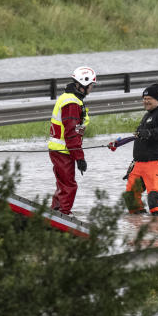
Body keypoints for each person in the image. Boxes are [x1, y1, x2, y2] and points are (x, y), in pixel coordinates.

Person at [120, 83, 158, 216]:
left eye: (148, 98)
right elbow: (139, 136)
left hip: (157, 163)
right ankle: (137, 231)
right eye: (144, 99)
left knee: (154, 199)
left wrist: (149, 133)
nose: (145, 101)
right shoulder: (146, 116)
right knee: (131, 199)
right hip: (139, 163)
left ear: (157, 99)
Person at [48, 66, 95, 215]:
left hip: (60, 150)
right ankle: (63, 215)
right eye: (91, 86)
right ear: (83, 84)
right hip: (63, 150)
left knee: (62, 184)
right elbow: (71, 133)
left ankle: (55, 211)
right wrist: (79, 158)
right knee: (69, 186)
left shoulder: (70, 99)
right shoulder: (72, 103)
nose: (92, 89)